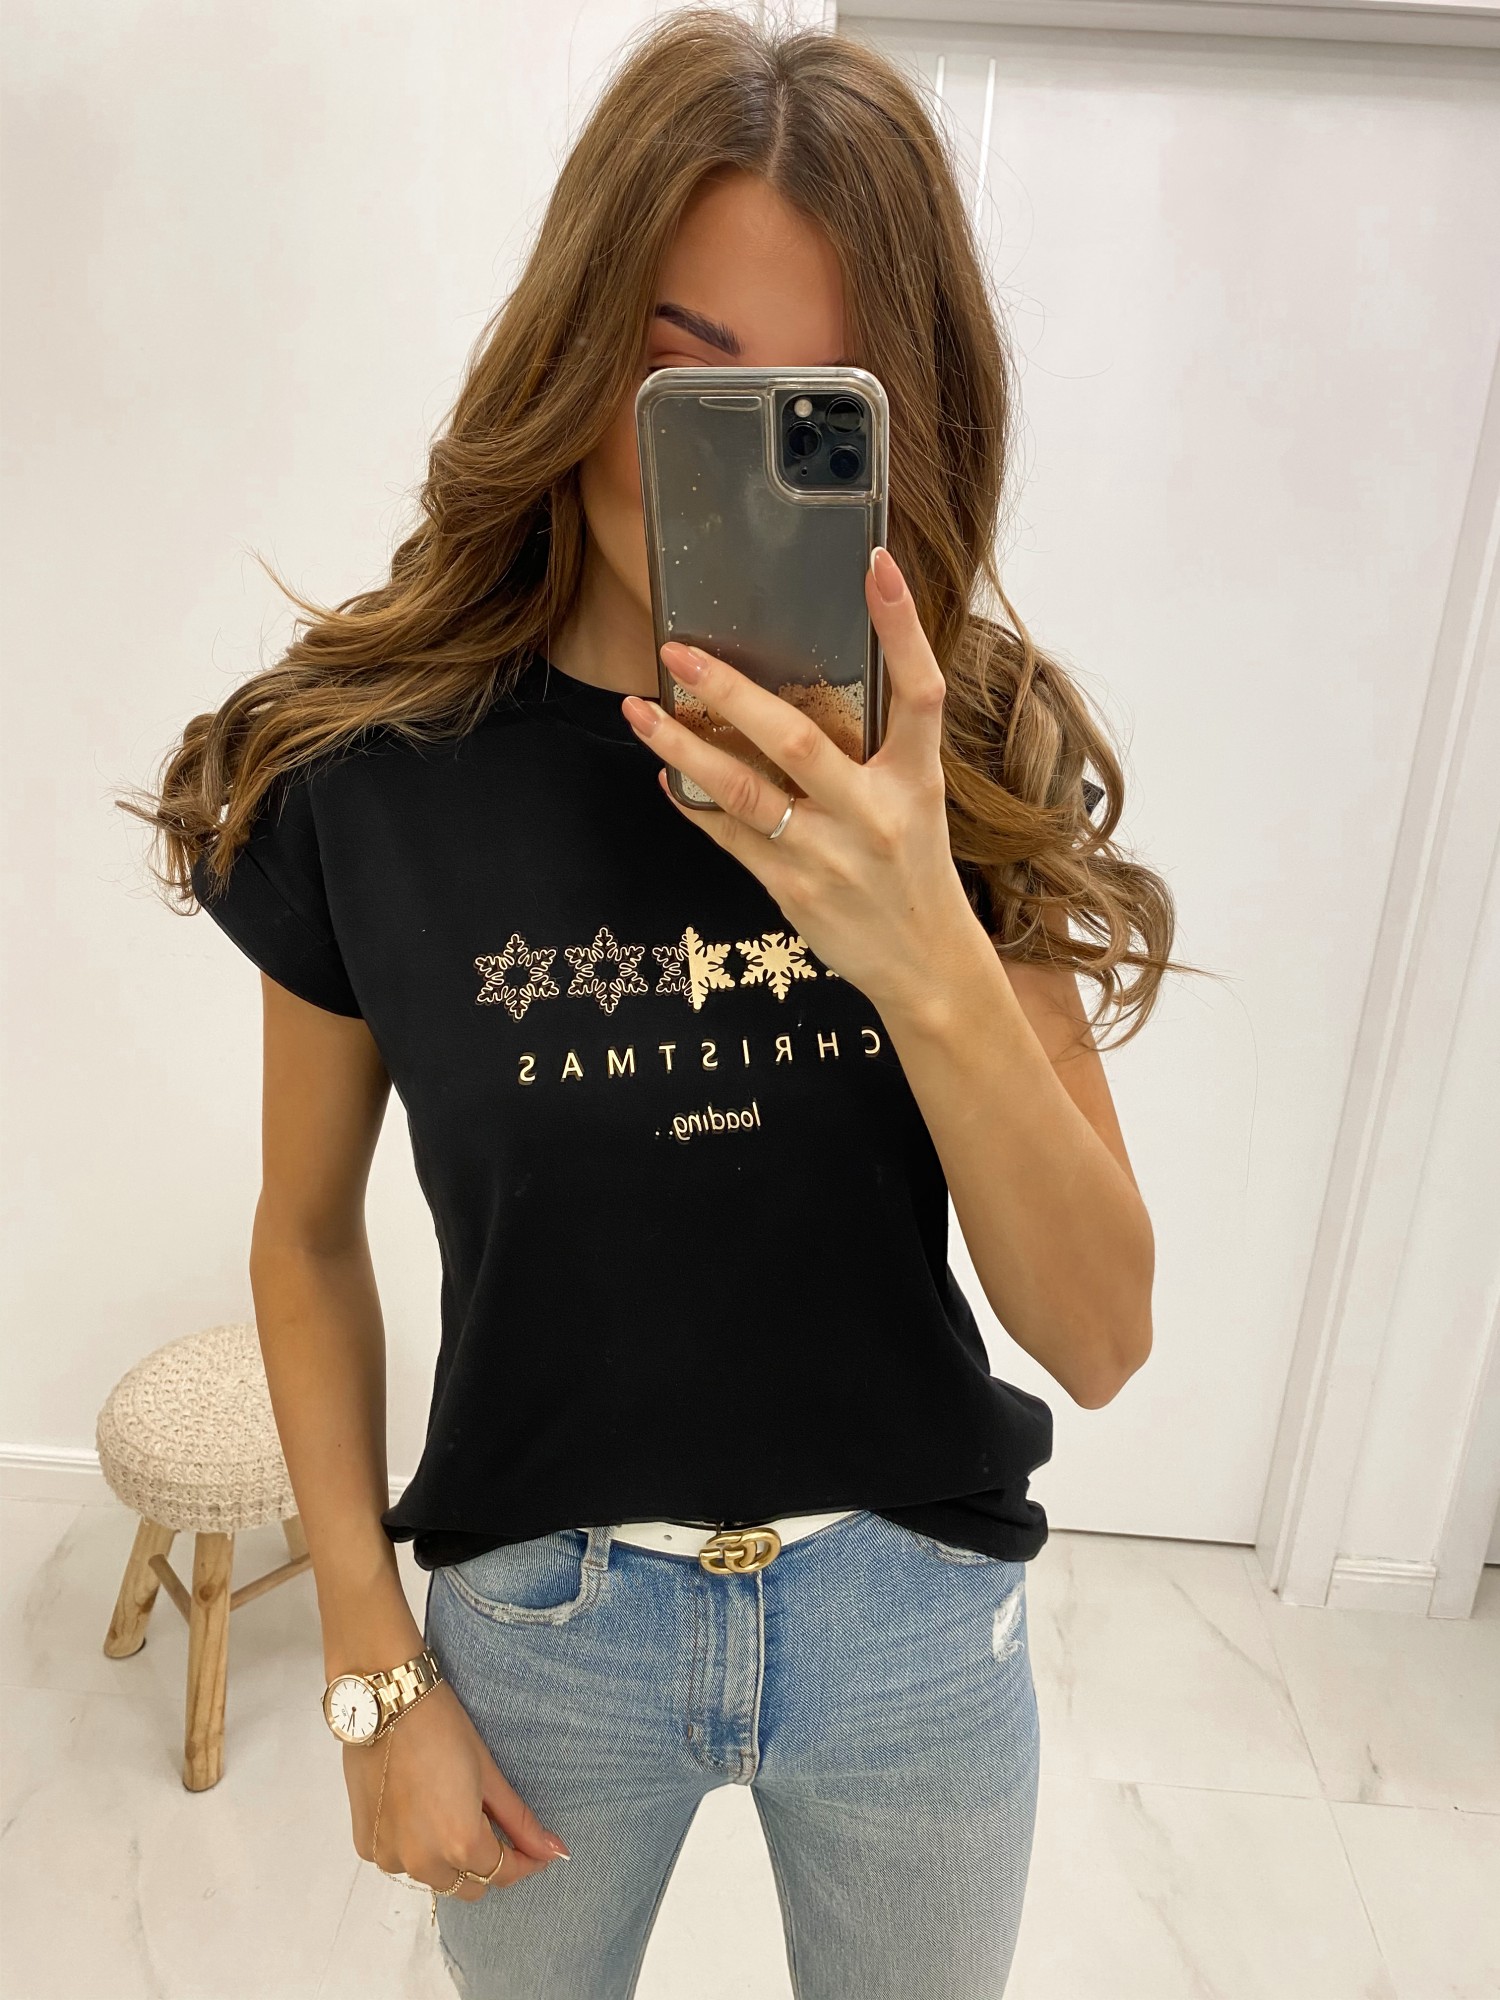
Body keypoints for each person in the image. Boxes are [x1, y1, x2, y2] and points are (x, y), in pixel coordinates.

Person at [131, 12, 1181, 1997]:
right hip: (543, 1629)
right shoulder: (371, 772)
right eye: (682, 380)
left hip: (907, 1617)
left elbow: (1100, 1334)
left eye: (812, 411)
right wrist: (369, 1665)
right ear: (573, 346)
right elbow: (304, 1232)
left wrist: (918, 929)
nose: (723, 463)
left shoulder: (953, 755)